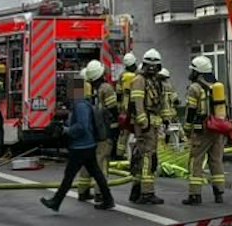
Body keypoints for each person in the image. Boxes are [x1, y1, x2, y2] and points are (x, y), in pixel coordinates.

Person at [38, 79, 113, 214]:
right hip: (86, 145)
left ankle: (56, 201)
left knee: (69, 176)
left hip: (81, 146)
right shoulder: (81, 104)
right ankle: (108, 199)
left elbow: (82, 126)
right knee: (95, 173)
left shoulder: (81, 106)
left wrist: (66, 130)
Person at [181, 57, 229, 205]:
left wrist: (187, 130)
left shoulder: (195, 88)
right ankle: (219, 193)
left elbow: (191, 111)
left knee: (196, 160)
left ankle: (195, 195)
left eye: (193, 70)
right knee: (216, 161)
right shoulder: (217, 85)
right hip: (218, 129)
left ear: (198, 72)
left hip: (202, 130)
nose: (191, 72)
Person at [128, 50, 171, 205]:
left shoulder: (157, 81)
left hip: (153, 122)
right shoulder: (139, 80)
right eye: (150, 65)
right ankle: (147, 192)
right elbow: (137, 103)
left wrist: (166, 119)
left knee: (142, 156)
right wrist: (143, 122)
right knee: (149, 157)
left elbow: (163, 102)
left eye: (155, 65)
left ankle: (136, 189)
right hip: (145, 124)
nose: (152, 69)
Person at [76, 60, 119, 205]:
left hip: (87, 131)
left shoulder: (80, 86)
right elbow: (113, 109)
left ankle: (83, 191)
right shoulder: (106, 88)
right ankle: (101, 194)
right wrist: (116, 127)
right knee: (101, 161)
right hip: (102, 131)